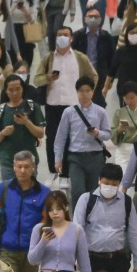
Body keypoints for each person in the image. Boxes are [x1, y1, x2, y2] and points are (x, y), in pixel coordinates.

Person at [73, 162, 137, 272]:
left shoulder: (126, 202)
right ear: (99, 180)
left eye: (114, 184)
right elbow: (76, 231)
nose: (109, 187)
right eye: (106, 183)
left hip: (118, 260)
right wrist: (75, 258)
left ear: (119, 184)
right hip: (92, 260)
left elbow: (134, 233)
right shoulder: (86, 200)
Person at [54, 76, 112, 205]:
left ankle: (92, 216)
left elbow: (108, 134)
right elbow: (60, 137)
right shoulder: (69, 112)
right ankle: (77, 216)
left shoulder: (100, 112)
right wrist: (58, 159)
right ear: (76, 92)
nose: (84, 94)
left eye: (87, 90)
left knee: (94, 193)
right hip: (75, 157)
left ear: (93, 92)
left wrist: (97, 133)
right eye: (81, 91)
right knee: (77, 192)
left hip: (95, 157)